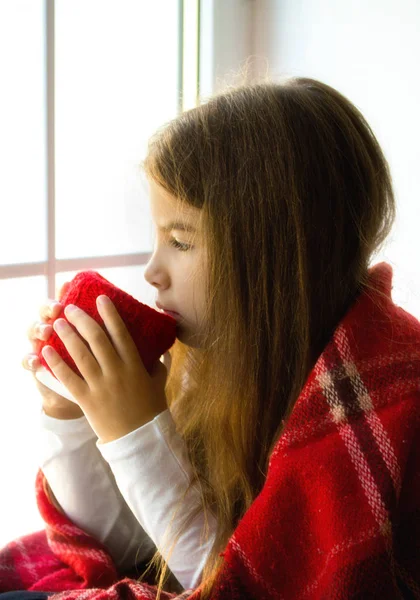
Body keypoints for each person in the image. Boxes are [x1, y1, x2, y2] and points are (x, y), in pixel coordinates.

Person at [17, 76, 420, 599]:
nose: (152, 272)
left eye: (180, 241)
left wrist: (137, 435)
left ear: (275, 255)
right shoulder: (213, 368)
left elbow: (239, 587)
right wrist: (73, 420)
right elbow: (137, 554)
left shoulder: (379, 402)